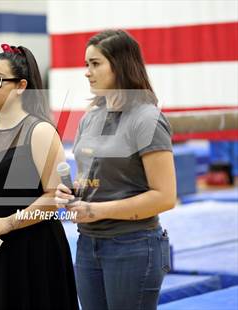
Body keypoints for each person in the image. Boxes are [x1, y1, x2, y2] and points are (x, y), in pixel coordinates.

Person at [55, 30, 177, 310]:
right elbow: (99, 180)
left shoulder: (147, 119)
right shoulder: (90, 118)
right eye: (86, 64)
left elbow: (165, 196)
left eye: (95, 64)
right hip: (88, 243)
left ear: (120, 65)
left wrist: (97, 210)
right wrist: (73, 191)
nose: (87, 72)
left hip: (132, 245)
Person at [0, 44, 79, 310]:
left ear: (20, 85)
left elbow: (55, 197)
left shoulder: (40, 131)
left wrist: (9, 222)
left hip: (34, 248)